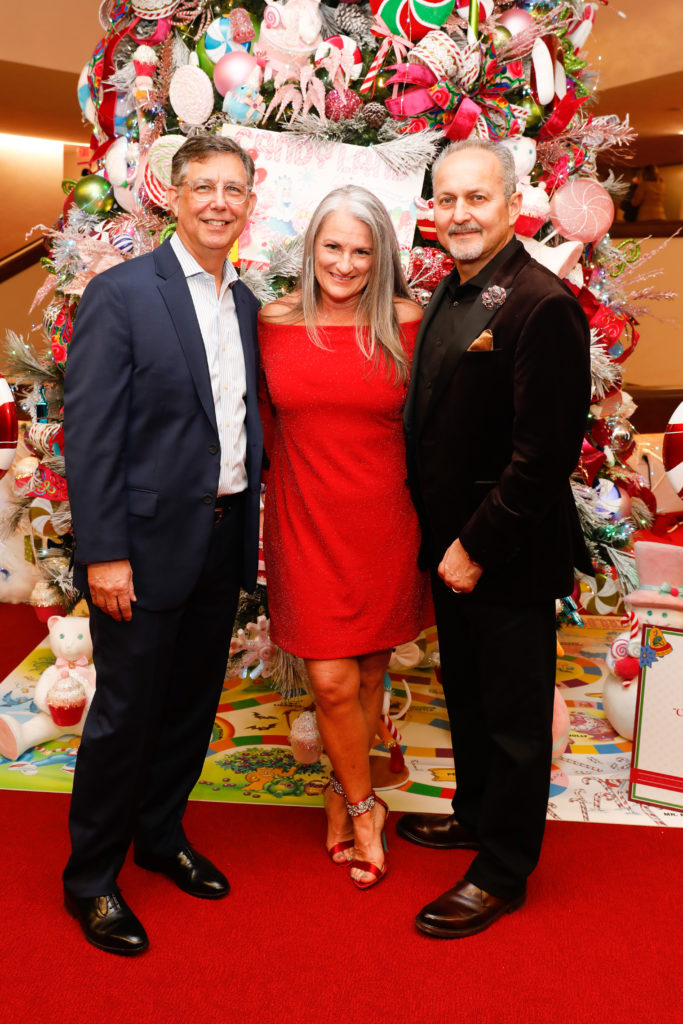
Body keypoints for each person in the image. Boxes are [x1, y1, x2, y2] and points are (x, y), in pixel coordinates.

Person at [62, 135, 262, 955]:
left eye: (233, 189)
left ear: (250, 202)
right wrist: (105, 553)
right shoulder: (121, 294)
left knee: (188, 707)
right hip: (140, 550)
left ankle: (160, 835)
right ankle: (92, 881)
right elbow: (92, 434)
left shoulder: (247, 301)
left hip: (221, 538)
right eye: (203, 187)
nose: (219, 201)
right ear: (171, 196)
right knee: (123, 716)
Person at [399, 139, 592, 937]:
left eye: (475, 198)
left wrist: (475, 547)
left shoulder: (541, 303)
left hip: (502, 552)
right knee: (468, 698)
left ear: (512, 203)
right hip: (451, 550)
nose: (459, 214)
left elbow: (544, 455)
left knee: (512, 718)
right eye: (446, 200)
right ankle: (474, 815)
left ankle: (502, 868)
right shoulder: (453, 292)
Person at [258, 185, 425, 889]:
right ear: (310, 248)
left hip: (385, 523)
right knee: (328, 680)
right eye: (333, 246)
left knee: (365, 675)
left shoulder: (409, 321)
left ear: (382, 255)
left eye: (362, 250)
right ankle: (364, 808)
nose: (346, 263)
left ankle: (336, 785)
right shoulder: (272, 320)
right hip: (304, 520)